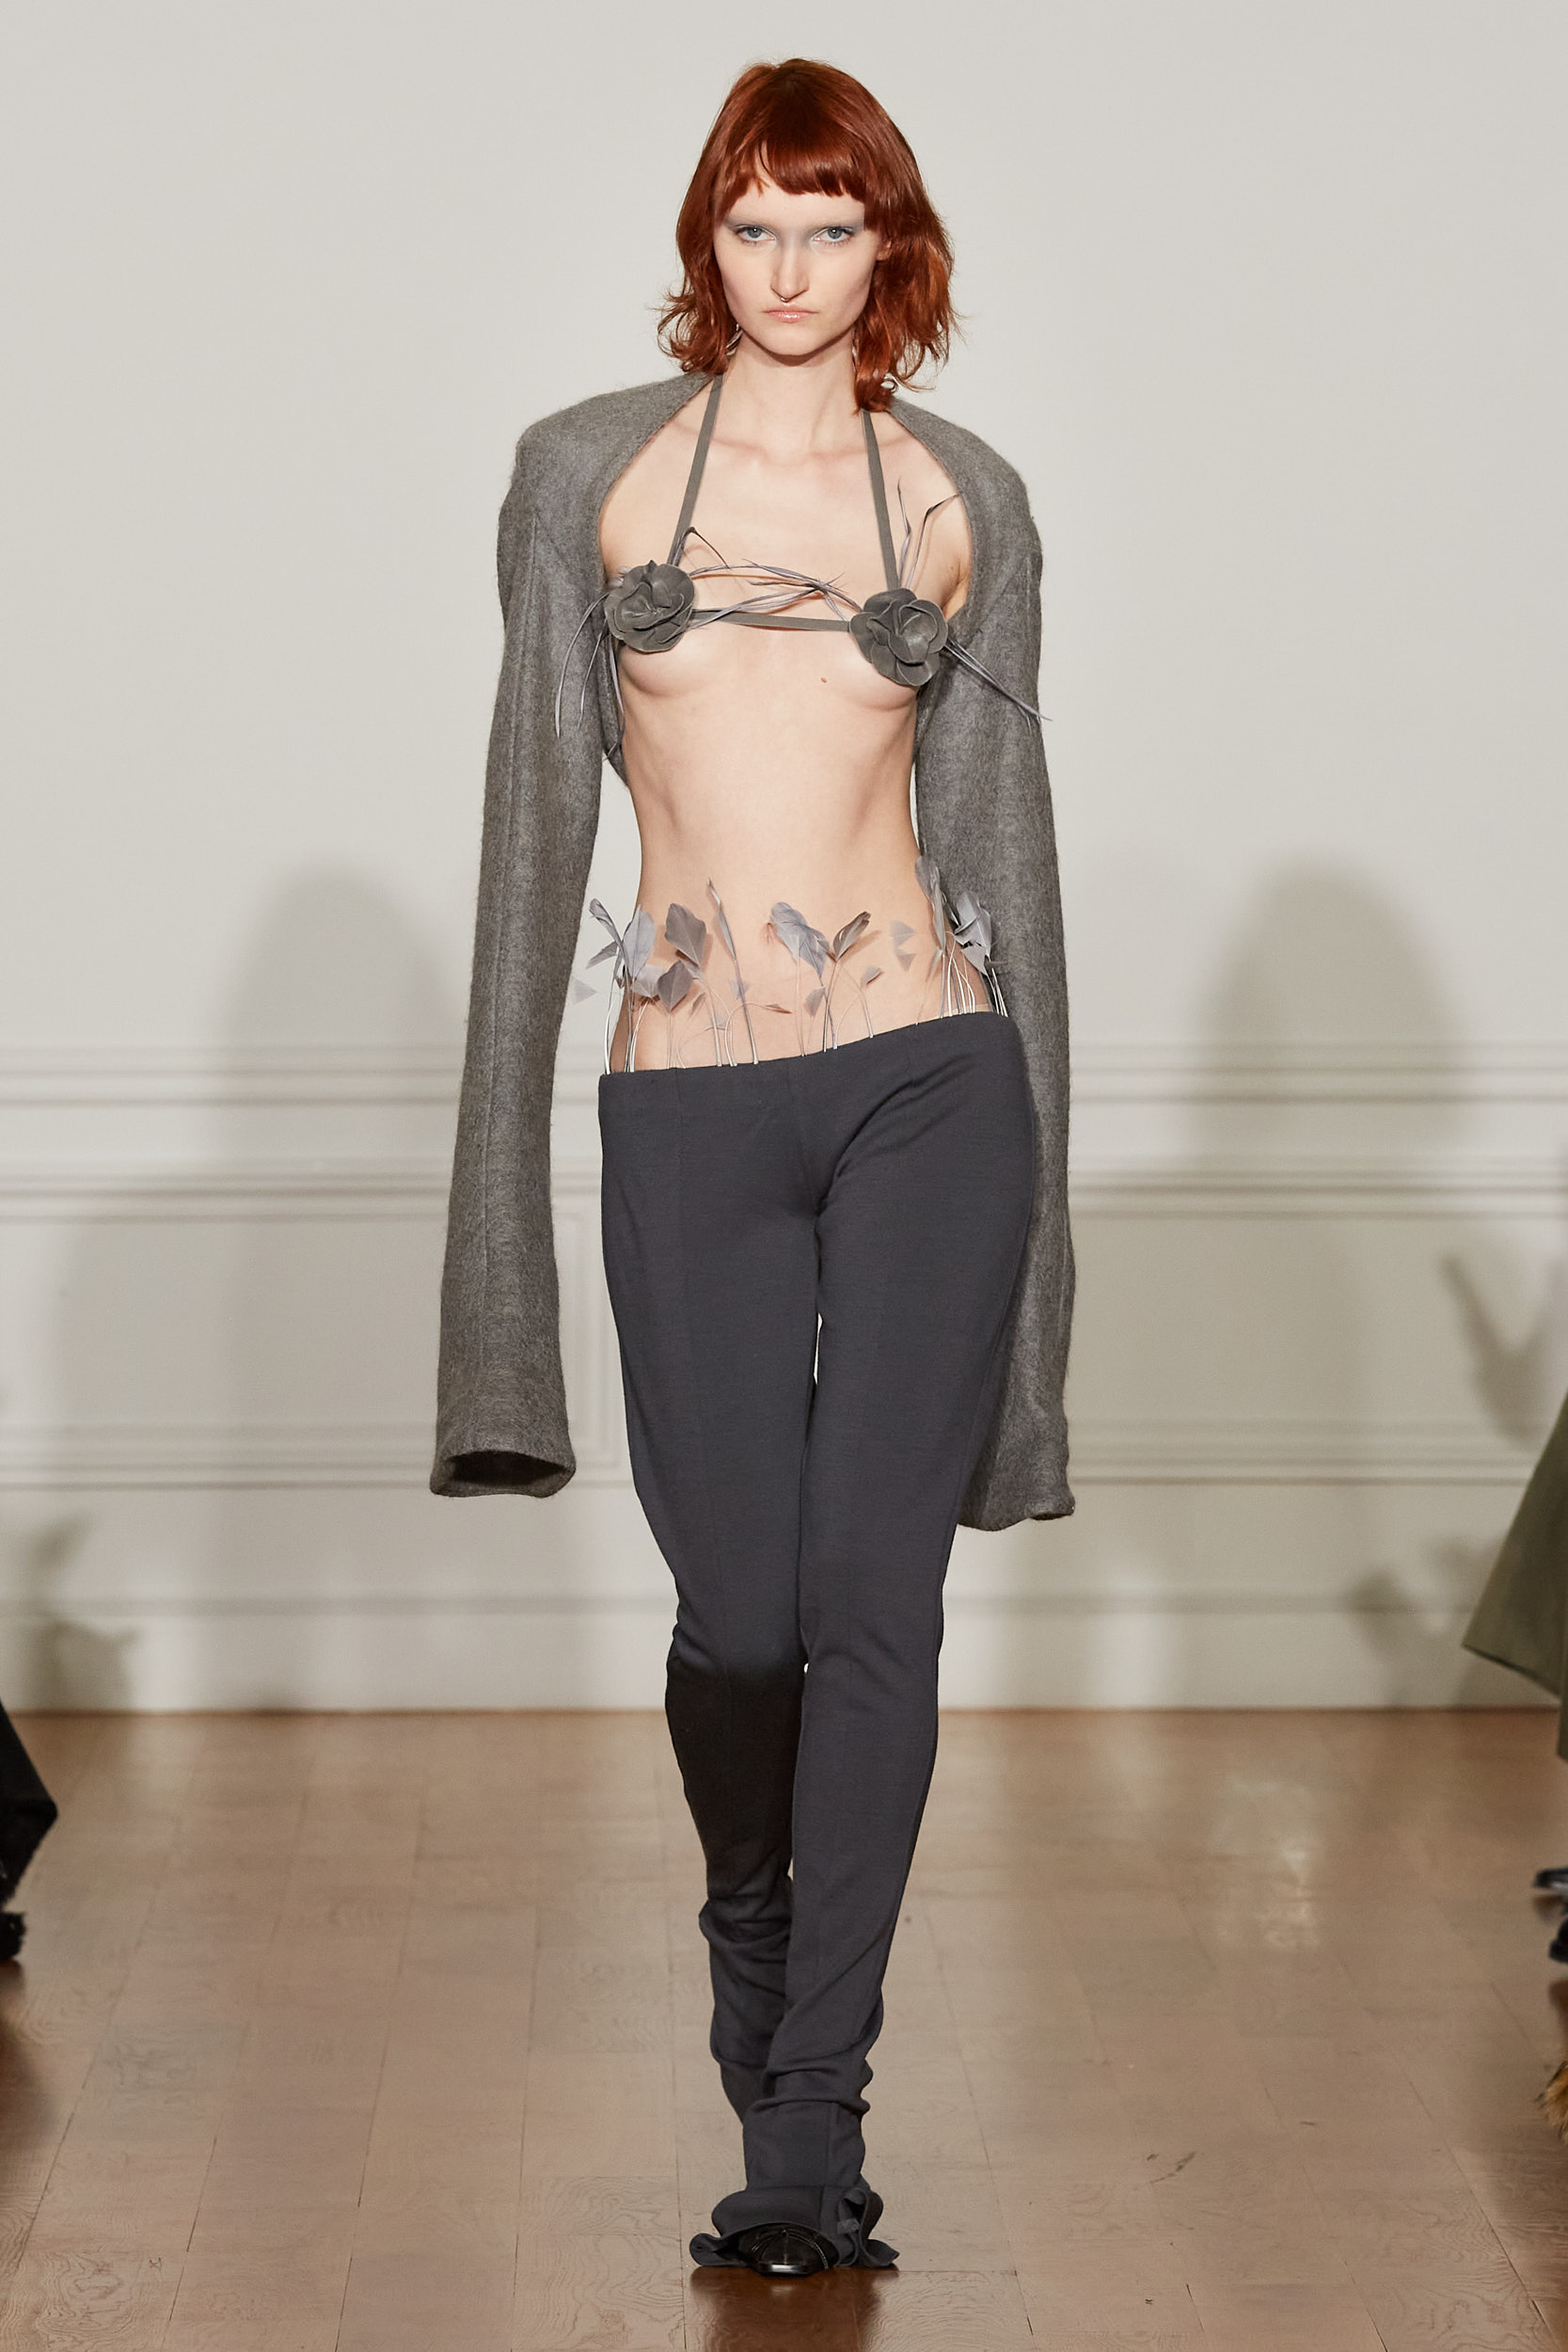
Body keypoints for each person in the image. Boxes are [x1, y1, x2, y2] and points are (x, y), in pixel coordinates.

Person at [433, 59, 1073, 2276]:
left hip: (928, 1077)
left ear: (892, 249)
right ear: (707, 244)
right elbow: (534, 831)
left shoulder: (964, 498)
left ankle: (809, 2116)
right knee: (744, 1620)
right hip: (691, 1088)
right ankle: (752, 1908)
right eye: (755, 224)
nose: (793, 266)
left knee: (877, 1605)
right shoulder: (587, 480)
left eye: (834, 224)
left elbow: (1009, 860)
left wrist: (1050, 1251)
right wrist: (495, 1235)